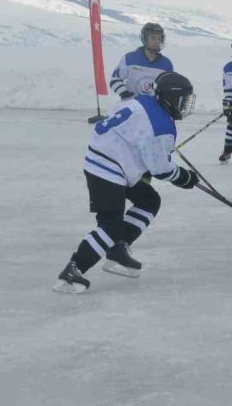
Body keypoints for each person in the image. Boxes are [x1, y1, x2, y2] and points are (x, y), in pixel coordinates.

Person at [54, 71, 200, 294]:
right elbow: (159, 169)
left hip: (107, 161)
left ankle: (118, 249)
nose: (184, 106)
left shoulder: (141, 101)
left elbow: (134, 137)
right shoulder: (161, 125)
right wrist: (185, 177)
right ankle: (73, 270)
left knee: (149, 200)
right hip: (108, 170)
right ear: (170, 98)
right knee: (110, 226)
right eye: (182, 100)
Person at [108, 23, 174, 99]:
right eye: (153, 38)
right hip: (131, 104)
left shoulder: (166, 64)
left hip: (155, 105)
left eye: (159, 38)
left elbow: (170, 87)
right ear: (145, 39)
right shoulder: (129, 58)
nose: (157, 41)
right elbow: (115, 79)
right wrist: (124, 93)